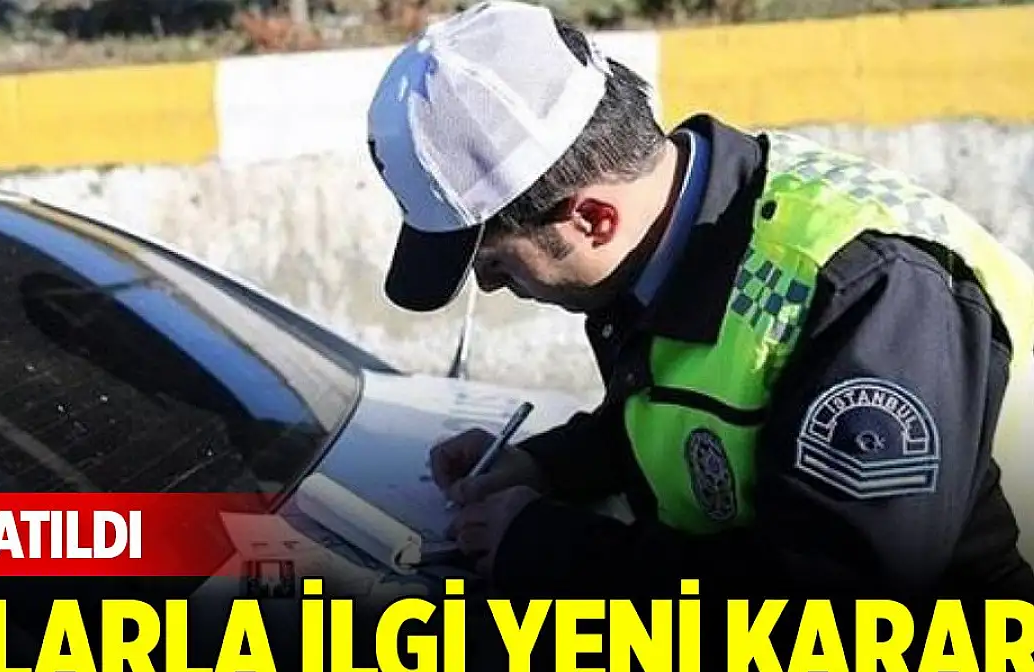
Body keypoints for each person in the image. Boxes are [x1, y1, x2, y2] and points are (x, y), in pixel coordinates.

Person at [365, 0, 1034, 637]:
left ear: (593, 220)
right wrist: (547, 467)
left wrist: (552, 548)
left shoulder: (867, 290)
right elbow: (694, 417)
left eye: (497, 263)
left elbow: (842, 619)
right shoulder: (676, 228)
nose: (489, 284)